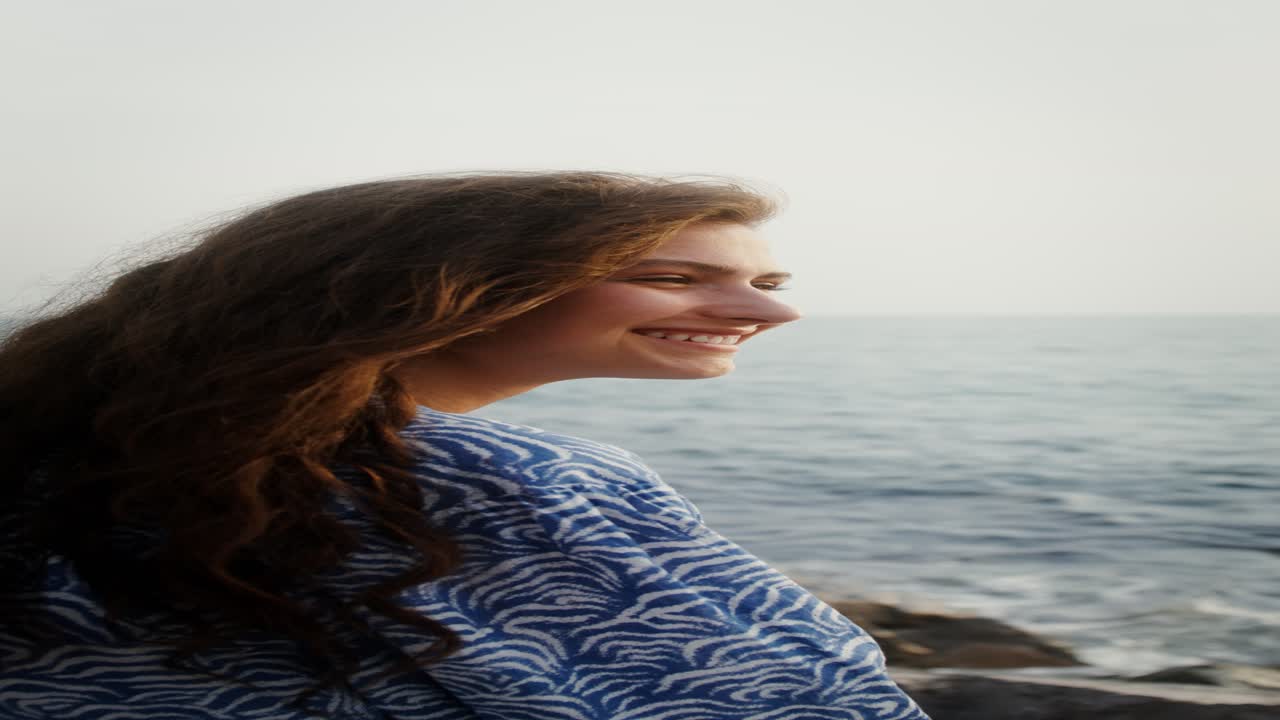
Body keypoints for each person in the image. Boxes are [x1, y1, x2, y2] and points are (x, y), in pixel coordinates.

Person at [0, 171, 929, 719]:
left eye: (771, 279)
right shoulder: (501, 483)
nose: (772, 311)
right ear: (449, 291)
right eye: (674, 277)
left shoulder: (69, 455)